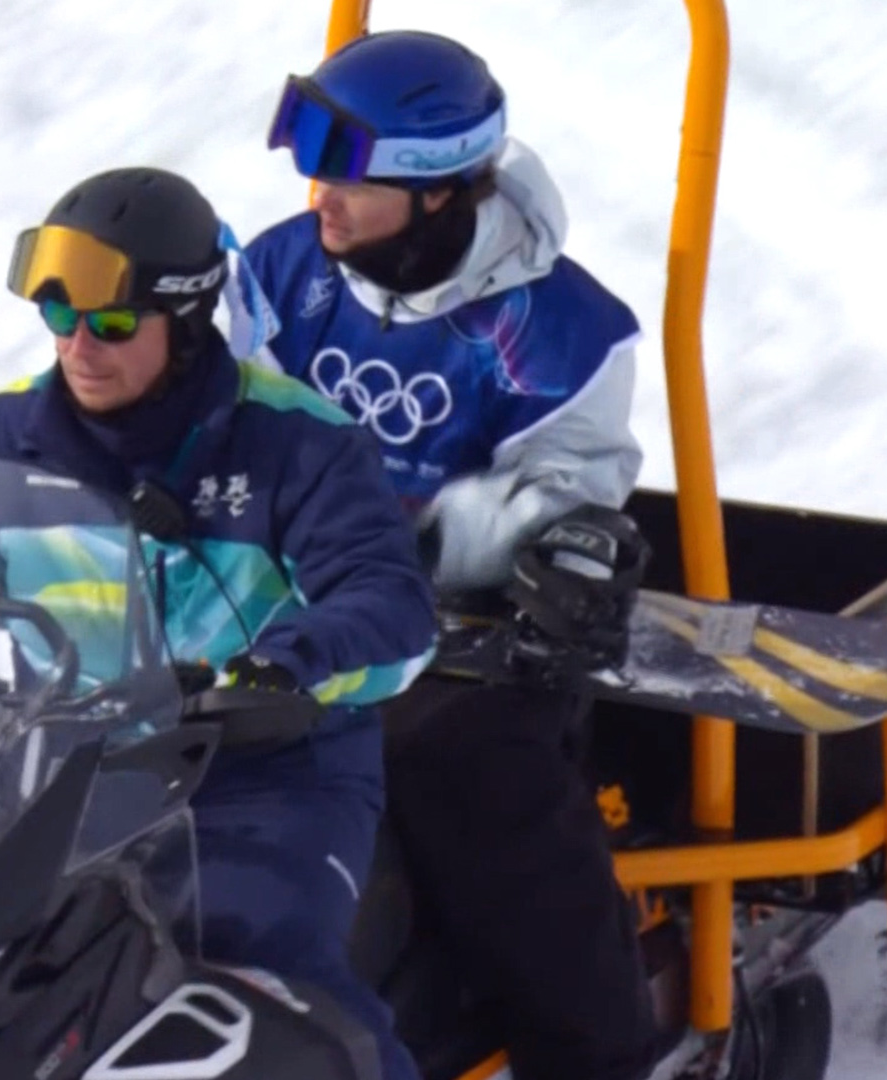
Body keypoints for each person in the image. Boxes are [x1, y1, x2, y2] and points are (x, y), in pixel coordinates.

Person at [0, 166, 435, 1080]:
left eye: (110, 325)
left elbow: (390, 606)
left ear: (184, 324)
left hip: (261, 772)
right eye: (59, 317)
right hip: (51, 770)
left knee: (254, 958)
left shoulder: (295, 441)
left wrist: (288, 664)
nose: (79, 347)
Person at [245, 30, 661, 1080]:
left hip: (465, 629)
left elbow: (566, 488)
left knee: (459, 776)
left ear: (435, 191)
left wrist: (429, 538)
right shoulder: (286, 271)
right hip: (277, 600)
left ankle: (591, 1053)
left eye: (350, 178)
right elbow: (218, 404)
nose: (321, 200)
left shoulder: (556, 327)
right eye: (315, 169)